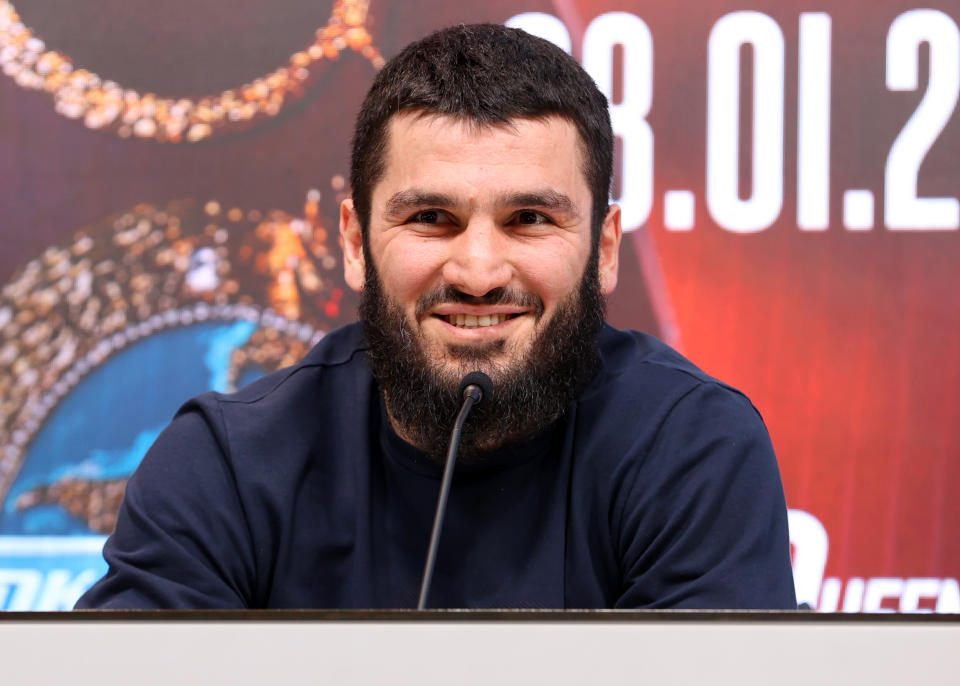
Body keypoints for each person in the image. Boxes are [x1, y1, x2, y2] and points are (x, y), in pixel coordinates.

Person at [76, 24, 797, 609]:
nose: (478, 273)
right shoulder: (226, 465)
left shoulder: (693, 449)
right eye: (430, 218)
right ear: (356, 243)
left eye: (529, 219)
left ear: (604, 249)